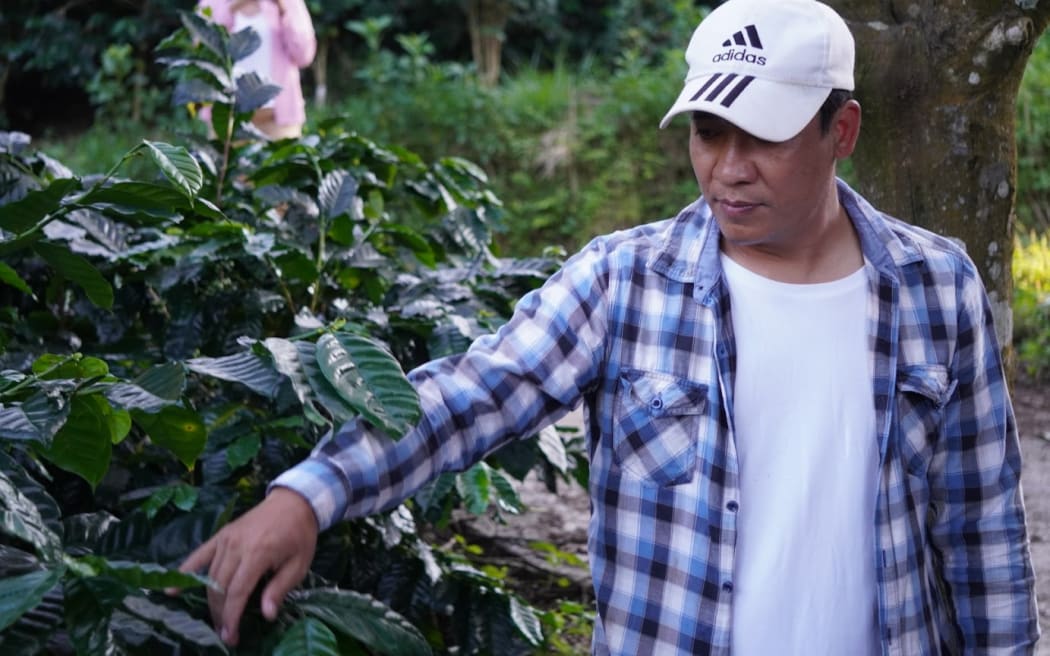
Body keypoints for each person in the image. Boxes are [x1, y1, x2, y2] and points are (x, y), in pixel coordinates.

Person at [178, 0, 1040, 652]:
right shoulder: (624, 280)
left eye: (764, 138)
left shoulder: (936, 287)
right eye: (708, 132)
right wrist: (307, 495)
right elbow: (471, 396)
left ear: (840, 129)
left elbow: (981, 530)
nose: (728, 170)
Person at [196, 0, 316, 139]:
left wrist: (283, 7)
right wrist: (235, 6)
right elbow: (202, 48)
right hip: (226, 119)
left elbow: (304, 55)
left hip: (278, 121)